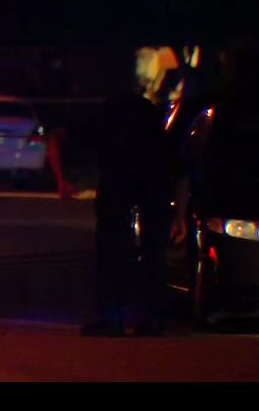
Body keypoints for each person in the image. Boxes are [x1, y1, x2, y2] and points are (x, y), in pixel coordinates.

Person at [81, 57, 172, 337]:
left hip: (119, 185)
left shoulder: (109, 111)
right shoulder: (147, 112)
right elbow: (168, 154)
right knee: (152, 252)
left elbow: (83, 141)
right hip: (151, 185)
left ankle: (114, 318)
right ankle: (149, 317)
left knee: (112, 249)